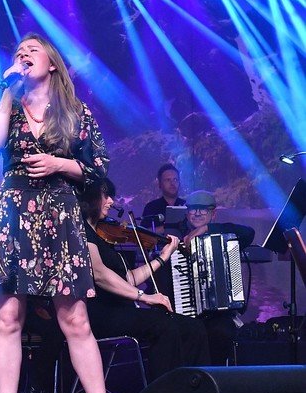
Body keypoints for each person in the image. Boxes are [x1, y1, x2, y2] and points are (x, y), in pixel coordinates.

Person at [0, 33, 111, 393]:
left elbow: (97, 168)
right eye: (19, 52)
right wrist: (7, 92)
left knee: (75, 320)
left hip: (59, 216)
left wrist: (59, 163)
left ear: (52, 63)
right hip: (13, 216)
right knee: (8, 318)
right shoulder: (9, 105)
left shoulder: (75, 111)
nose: (24, 54)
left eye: (33, 50)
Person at [80, 178, 210, 380]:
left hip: (121, 310)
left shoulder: (102, 235)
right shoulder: (82, 231)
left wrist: (163, 257)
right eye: (106, 196)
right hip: (101, 313)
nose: (111, 202)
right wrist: (145, 297)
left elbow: (129, 279)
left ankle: (196, 389)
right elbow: (99, 274)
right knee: (163, 325)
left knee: (194, 328)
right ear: (91, 197)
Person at [168, 190, 255, 364]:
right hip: (187, 311)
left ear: (213, 213)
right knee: (185, 333)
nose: (198, 213)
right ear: (187, 213)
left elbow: (249, 233)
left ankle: (215, 377)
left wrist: (206, 228)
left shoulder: (224, 233)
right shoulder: (175, 235)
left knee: (221, 332)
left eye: (203, 209)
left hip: (219, 314)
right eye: (193, 209)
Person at [142, 163, 185, 234]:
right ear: (160, 184)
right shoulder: (151, 207)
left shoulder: (186, 205)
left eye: (175, 179)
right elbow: (143, 233)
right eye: (168, 180)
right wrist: (168, 228)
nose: (172, 183)